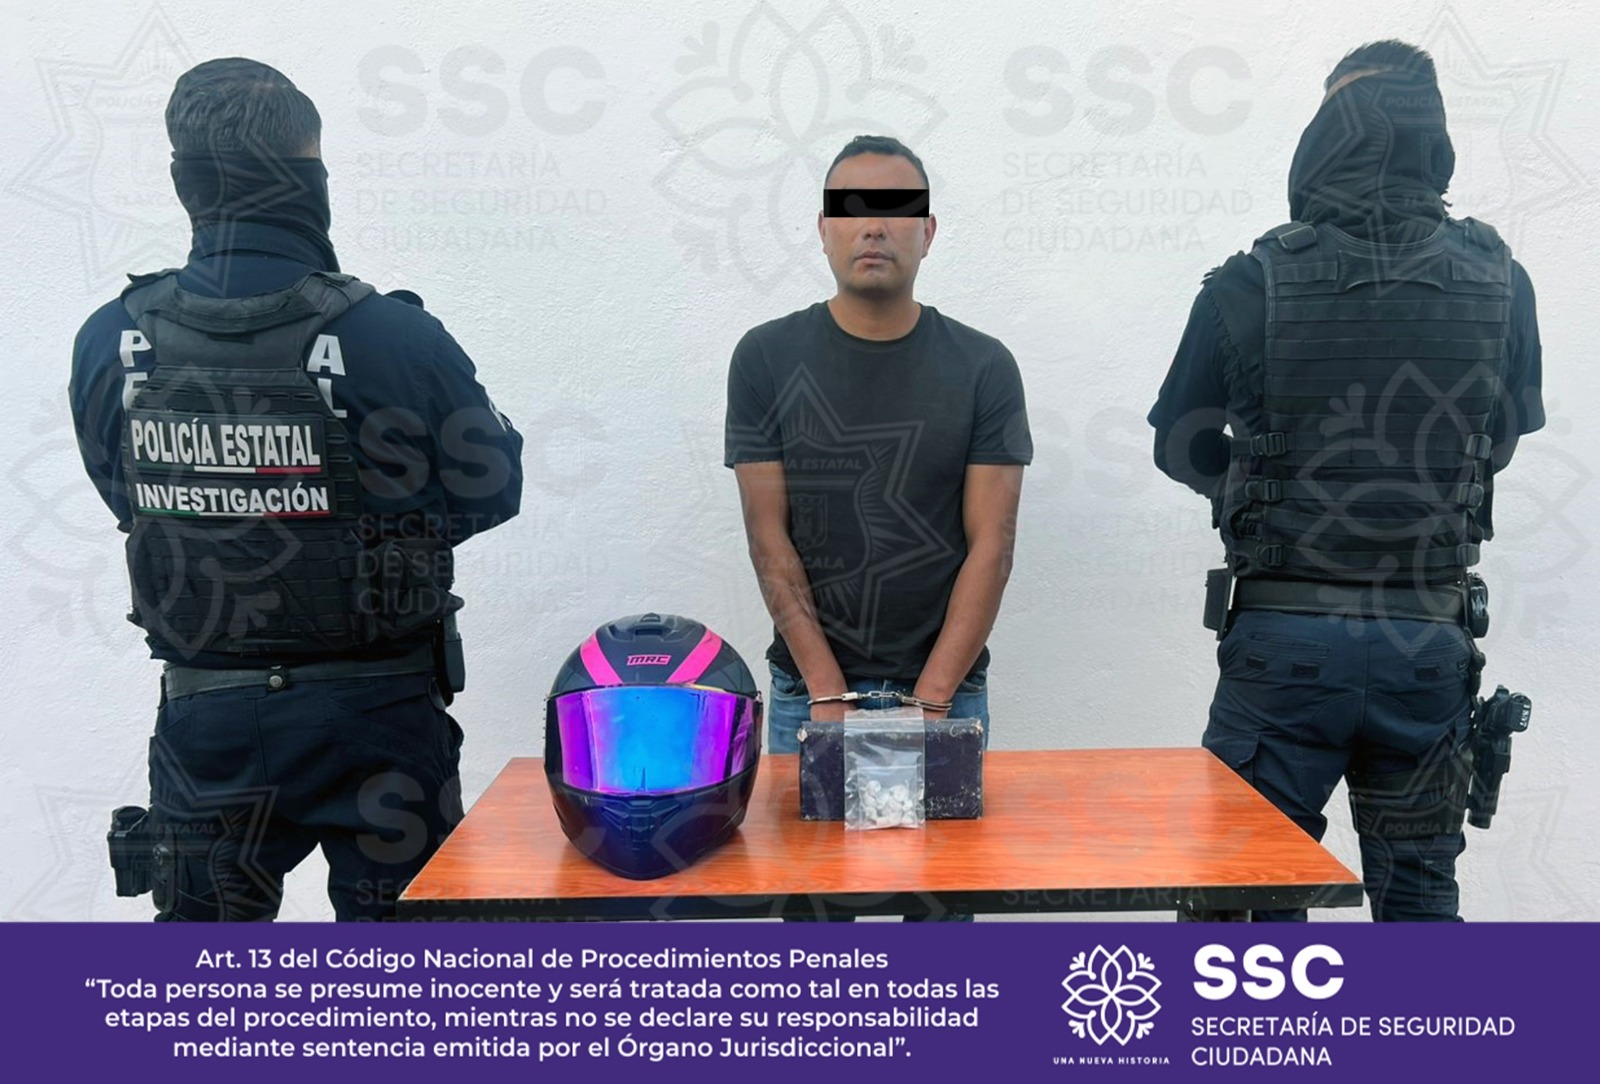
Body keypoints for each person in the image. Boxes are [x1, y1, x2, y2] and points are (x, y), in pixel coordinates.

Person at [70, 58, 524, 921]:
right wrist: (368, 531)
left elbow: (130, 499)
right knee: (411, 979)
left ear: (183, 180)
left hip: (212, 718)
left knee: (204, 989)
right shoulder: (392, 335)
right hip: (378, 714)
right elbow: (492, 489)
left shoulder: (112, 340)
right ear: (310, 177)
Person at [1148, 41, 1544, 921]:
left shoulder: (1250, 280)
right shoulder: (1501, 280)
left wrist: (1261, 485)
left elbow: (1179, 444)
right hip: (1426, 639)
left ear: (1325, 133)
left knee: (1241, 906)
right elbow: (1500, 442)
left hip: (1284, 642)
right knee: (1419, 900)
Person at [725, 135, 1032, 919]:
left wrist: (931, 703)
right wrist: (826, 693)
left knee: (944, 932)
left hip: (949, 696)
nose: (873, 226)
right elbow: (768, 537)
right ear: (822, 229)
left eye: (896, 209)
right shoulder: (765, 358)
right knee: (815, 932)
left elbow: (992, 546)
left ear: (927, 232)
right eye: (851, 209)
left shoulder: (984, 366)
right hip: (806, 695)